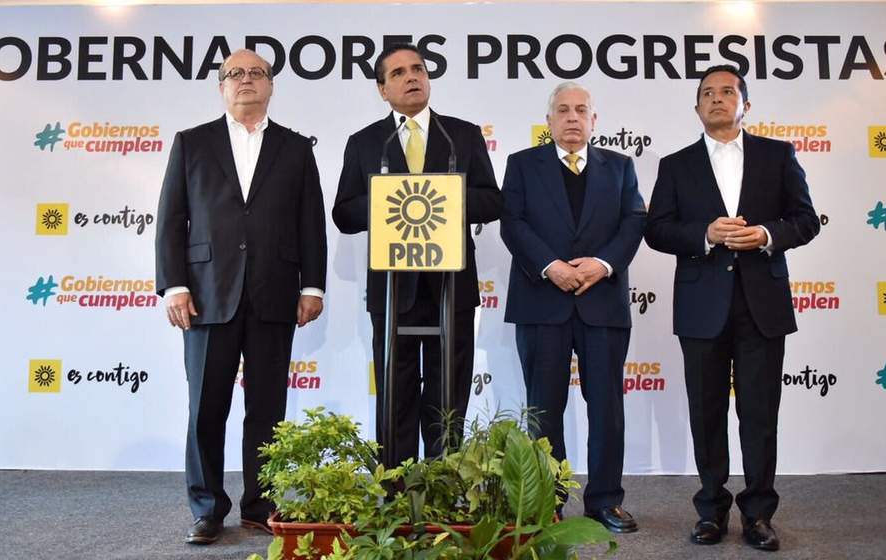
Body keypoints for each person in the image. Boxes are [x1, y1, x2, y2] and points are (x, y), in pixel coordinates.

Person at [155, 49, 327, 545]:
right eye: (235, 73)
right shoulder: (192, 142)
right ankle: (207, 508)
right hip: (207, 294)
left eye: (256, 73)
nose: (246, 80)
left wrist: (312, 285)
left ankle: (260, 504)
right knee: (206, 408)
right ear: (222, 87)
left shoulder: (296, 148)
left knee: (268, 408)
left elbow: (310, 221)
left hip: (276, 291)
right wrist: (175, 285)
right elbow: (171, 219)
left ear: (270, 85)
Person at [645, 65, 820, 551]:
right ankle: (711, 510)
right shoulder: (675, 164)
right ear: (697, 107)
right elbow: (656, 230)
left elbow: (806, 220)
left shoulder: (778, 155)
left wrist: (766, 234)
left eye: (727, 91)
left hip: (761, 303)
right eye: (707, 93)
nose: (717, 99)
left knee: (760, 413)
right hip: (702, 306)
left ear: (746, 105)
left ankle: (759, 514)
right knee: (706, 412)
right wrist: (704, 234)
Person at [332, 44, 501, 465]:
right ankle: (396, 484)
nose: (412, 78)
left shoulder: (462, 135)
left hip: (451, 287)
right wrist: (393, 198)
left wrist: (440, 197)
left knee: (449, 394)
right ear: (382, 89)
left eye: (418, 70)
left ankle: (443, 481)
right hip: (393, 289)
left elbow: (491, 201)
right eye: (399, 73)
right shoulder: (365, 142)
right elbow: (344, 213)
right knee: (396, 392)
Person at [500, 82, 645, 532]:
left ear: (594, 120)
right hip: (542, 301)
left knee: (607, 407)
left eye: (581, 110)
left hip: (602, 302)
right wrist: (550, 266)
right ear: (549, 120)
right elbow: (512, 223)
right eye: (562, 110)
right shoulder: (522, 165)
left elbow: (634, 222)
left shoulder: (620, 167)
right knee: (544, 408)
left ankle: (605, 500)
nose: (572, 117)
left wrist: (603, 264)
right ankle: (549, 498)